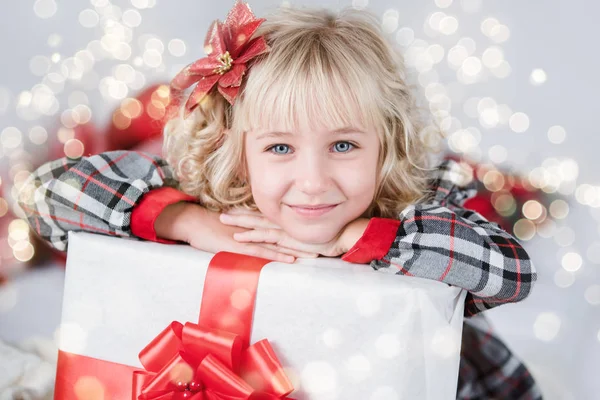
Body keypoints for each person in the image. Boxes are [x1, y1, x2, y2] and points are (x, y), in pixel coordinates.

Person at [17, 1, 541, 398]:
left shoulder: (418, 203)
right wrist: (187, 220)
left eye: (343, 145)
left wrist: (367, 236)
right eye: (280, 147)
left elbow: (509, 272)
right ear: (237, 146)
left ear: (389, 142)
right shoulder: (216, 192)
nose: (312, 181)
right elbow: (42, 196)